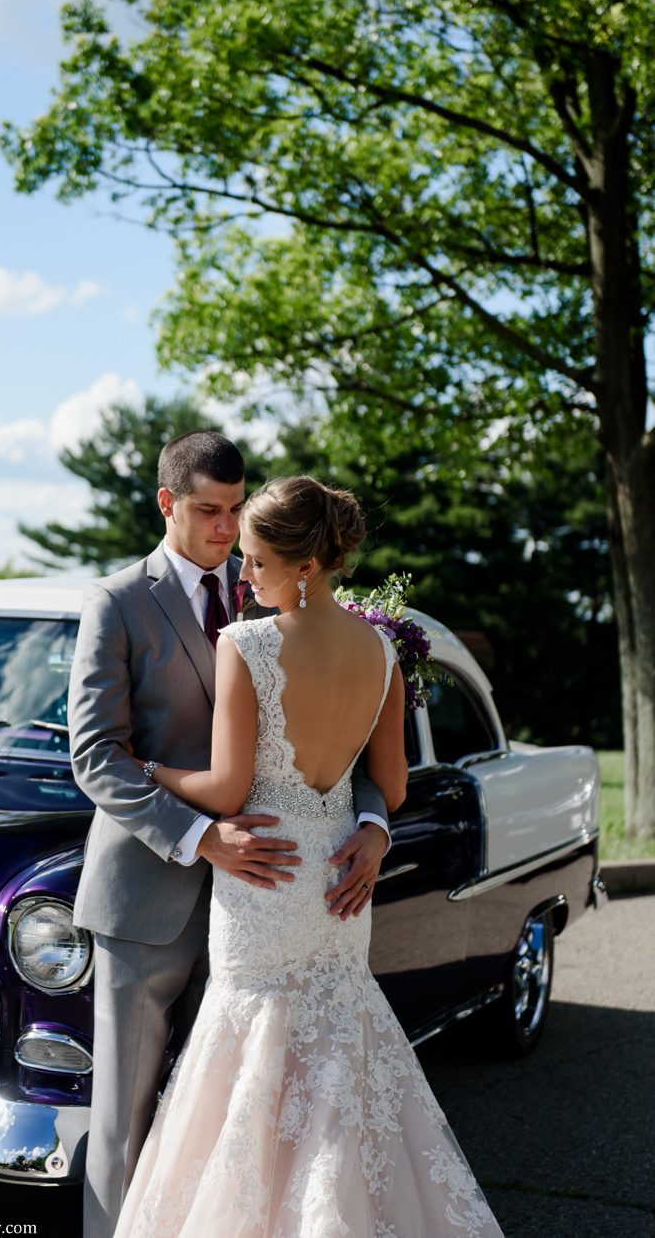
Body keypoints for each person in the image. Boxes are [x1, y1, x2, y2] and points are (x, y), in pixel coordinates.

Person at [113, 475, 504, 1238]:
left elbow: (227, 791)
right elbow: (389, 785)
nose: (242, 576)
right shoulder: (384, 650)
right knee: (333, 1074)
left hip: (264, 879)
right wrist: (373, 828)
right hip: (335, 881)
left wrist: (147, 766)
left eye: (255, 562)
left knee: (245, 1065)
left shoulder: (247, 646)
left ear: (304, 567)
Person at [68, 436, 392, 1238]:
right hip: (152, 891)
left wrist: (376, 824)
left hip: (274, 899)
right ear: (167, 504)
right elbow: (95, 754)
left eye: (235, 511)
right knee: (127, 1119)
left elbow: (348, 754)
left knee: (252, 1110)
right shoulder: (116, 601)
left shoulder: (273, 592)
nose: (225, 530)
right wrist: (197, 837)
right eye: (209, 511)